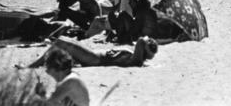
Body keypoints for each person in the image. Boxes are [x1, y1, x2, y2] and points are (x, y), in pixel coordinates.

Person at [28, 35, 157, 68]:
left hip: (95, 59)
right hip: (93, 55)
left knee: (61, 43)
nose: (148, 39)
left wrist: (147, 43)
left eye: (149, 42)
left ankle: (33, 65)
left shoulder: (135, 61)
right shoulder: (134, 57)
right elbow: (141, 42)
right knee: (63, 40)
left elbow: (141, 40)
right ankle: (42, 62)